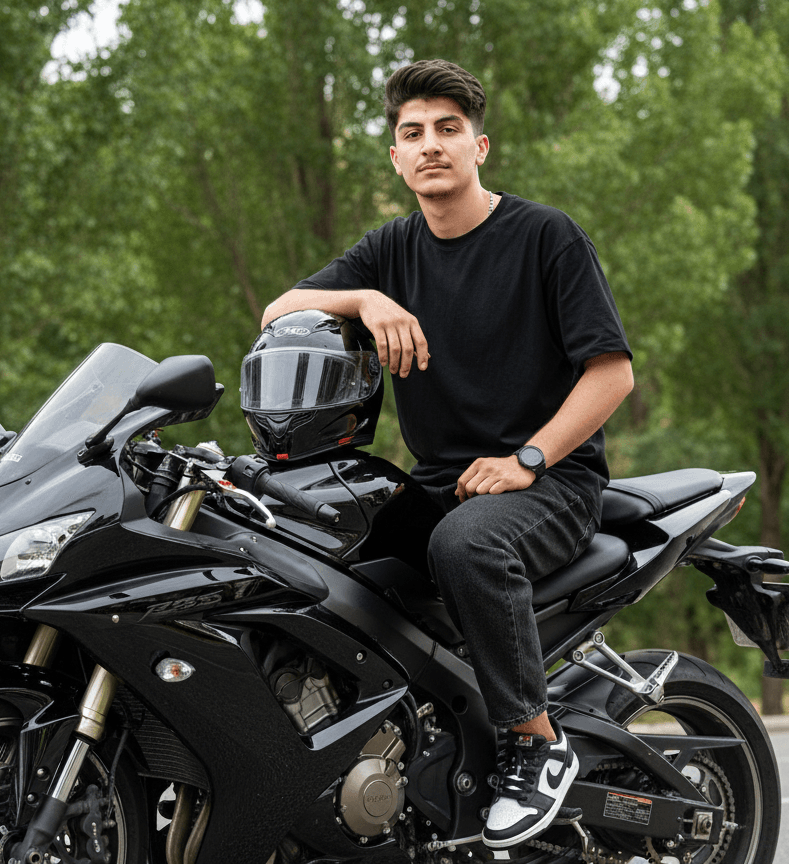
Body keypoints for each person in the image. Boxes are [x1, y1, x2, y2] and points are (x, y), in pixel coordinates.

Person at [260, 58, 633, 849]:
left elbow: (613, 373)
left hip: (551, 482)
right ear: (395, 157)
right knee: (302, 539)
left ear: (480, 146)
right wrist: (363, 297)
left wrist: (527, 461)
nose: (430, 145)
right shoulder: (391, 251)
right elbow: (277, 311)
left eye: (447, 130)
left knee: (463, 544)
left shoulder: (545, 237)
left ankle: (535, 741)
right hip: (442, 483)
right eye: (412, 133)